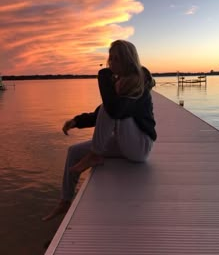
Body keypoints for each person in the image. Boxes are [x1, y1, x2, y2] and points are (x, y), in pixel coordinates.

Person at [42, 40, 157, 221]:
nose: (111, 63)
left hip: (140, 147)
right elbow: (104, 112)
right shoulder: (120, 82)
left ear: (127, 59)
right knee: (73, 151)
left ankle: (95, 154)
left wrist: (103, 74)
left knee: (109, 108)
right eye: (110, 58)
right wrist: (77, 121)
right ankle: (65, 200)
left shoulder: (140, 84)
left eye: (116, 59)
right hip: (124, 143)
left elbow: (115, 111)